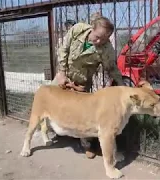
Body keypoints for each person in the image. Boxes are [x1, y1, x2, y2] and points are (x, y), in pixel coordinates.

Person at [53, 15, 125, 159]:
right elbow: (63, 49)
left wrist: (122, 87)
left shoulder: (106, 49)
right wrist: (61, 73)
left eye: (104, 39)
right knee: (54, 105)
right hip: (63, 75)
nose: (99, 41)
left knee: (84, 115)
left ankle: (86, 145)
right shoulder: (78, 29)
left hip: (82, 83)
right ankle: (56, 132)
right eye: (97, 37)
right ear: (92, 28)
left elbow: (111, 68)